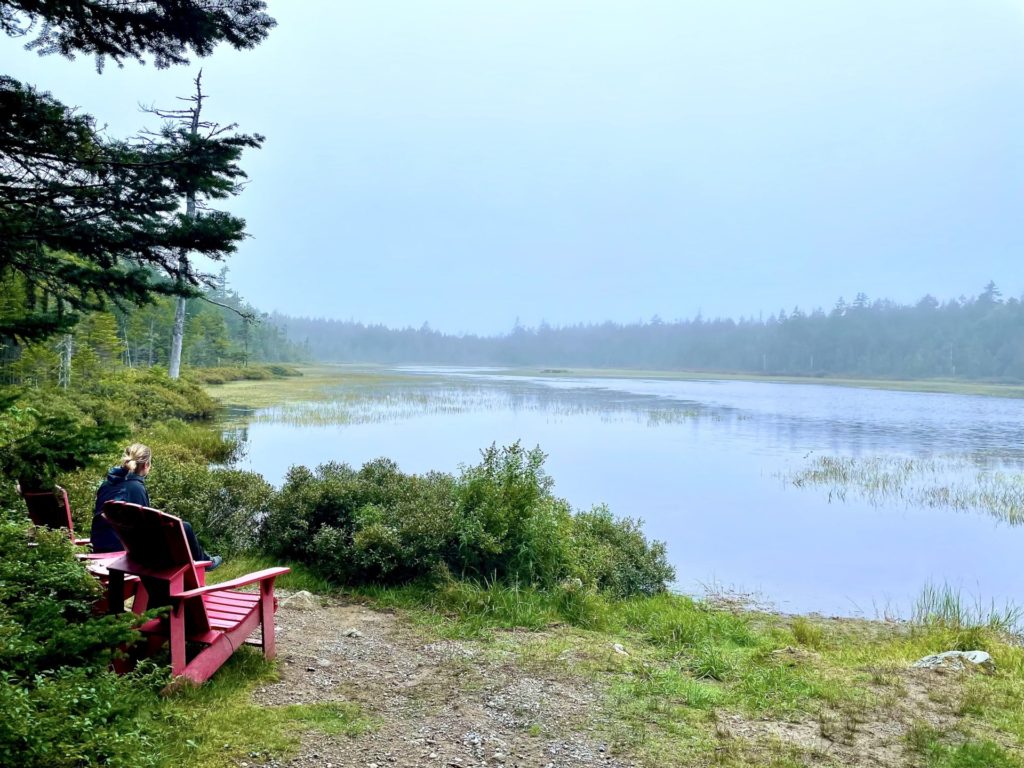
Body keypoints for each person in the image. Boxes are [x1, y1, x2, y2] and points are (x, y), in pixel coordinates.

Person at [91, 443, 222, 569]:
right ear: (147, 465)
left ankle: (204, 560)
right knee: (184, 527)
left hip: (99, 544)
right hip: (123, 548)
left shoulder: (106, 484)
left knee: (180, 527)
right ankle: (204, 562)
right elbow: (143, 531)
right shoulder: (135, 488)